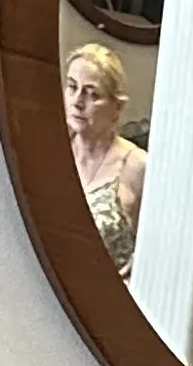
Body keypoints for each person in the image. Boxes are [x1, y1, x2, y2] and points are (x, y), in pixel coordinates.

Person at [63, 43, 147, 277]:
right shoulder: (52, 152)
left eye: (93, 94)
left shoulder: (137, 166)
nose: (78, 102)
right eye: (72, 87)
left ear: (117, 107)